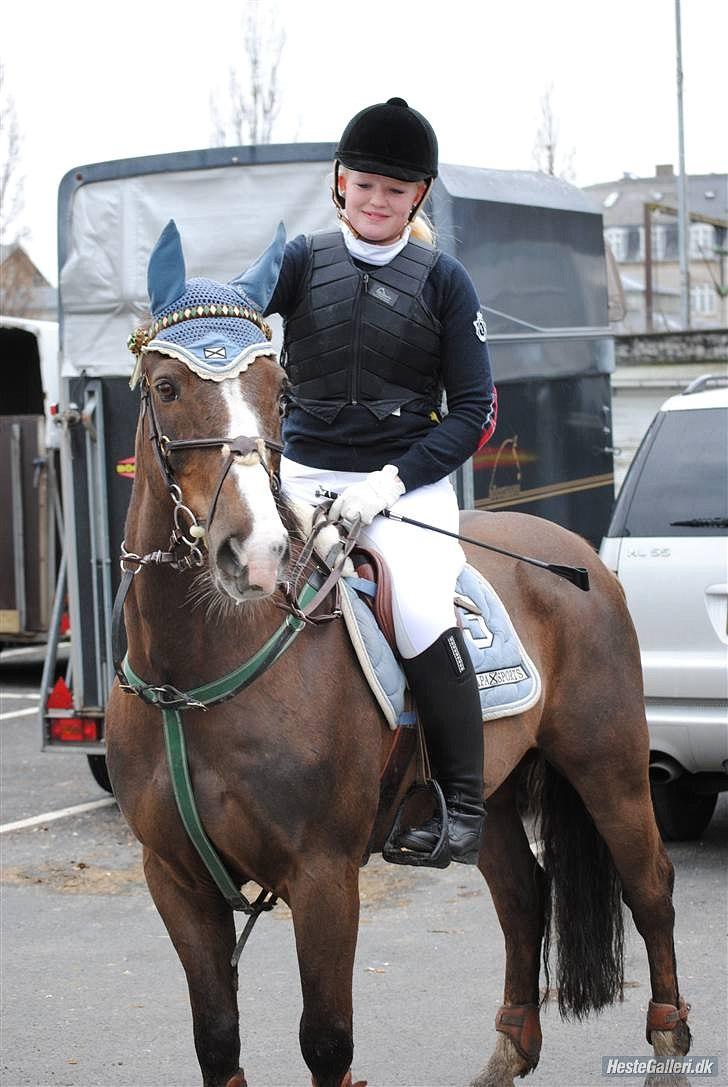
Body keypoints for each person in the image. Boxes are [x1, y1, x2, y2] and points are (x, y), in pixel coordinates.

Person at [265, 97, 496, 866]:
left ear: (417, 197)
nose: (376, 201)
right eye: (364, 185)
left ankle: (462, 805)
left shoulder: (445, 281)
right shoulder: (298, 260)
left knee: (422, 605)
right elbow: (236, 307)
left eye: (393, 191)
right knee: (238, 579)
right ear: (339, 182)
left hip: (406, 484)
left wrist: (389, 482)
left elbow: (472, 412)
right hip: (301, 475)